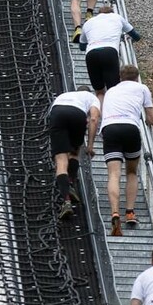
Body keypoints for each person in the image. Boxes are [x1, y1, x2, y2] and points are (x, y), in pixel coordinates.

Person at [100, 64, 153, 236]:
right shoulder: (142, 88)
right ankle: (130, 211)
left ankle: (114, 212)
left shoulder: (111, 91)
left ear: (120, 77)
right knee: (131, 172)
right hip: (130, 128)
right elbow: (150, 117)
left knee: (113, 174)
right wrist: (152, 123)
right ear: (137, 77)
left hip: (109, 128)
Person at [48, 86, 100, 221]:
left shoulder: (64, 95)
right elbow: (93, 119)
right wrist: (89, 145)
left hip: (57, 112)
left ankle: (66, 201)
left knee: (60, 160)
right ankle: (70, 182)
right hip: (77, 114)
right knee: (75, 151)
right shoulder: (92, 98)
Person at [79, 5, 141, 102]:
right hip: (109, 52)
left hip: (91, 53)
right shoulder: (117, 17)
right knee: (113, 90)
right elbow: (136, 36)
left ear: (98, 14)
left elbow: (82, 47)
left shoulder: (89, 22)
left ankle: (101, 114)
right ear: (112, 12)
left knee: (99, 91)